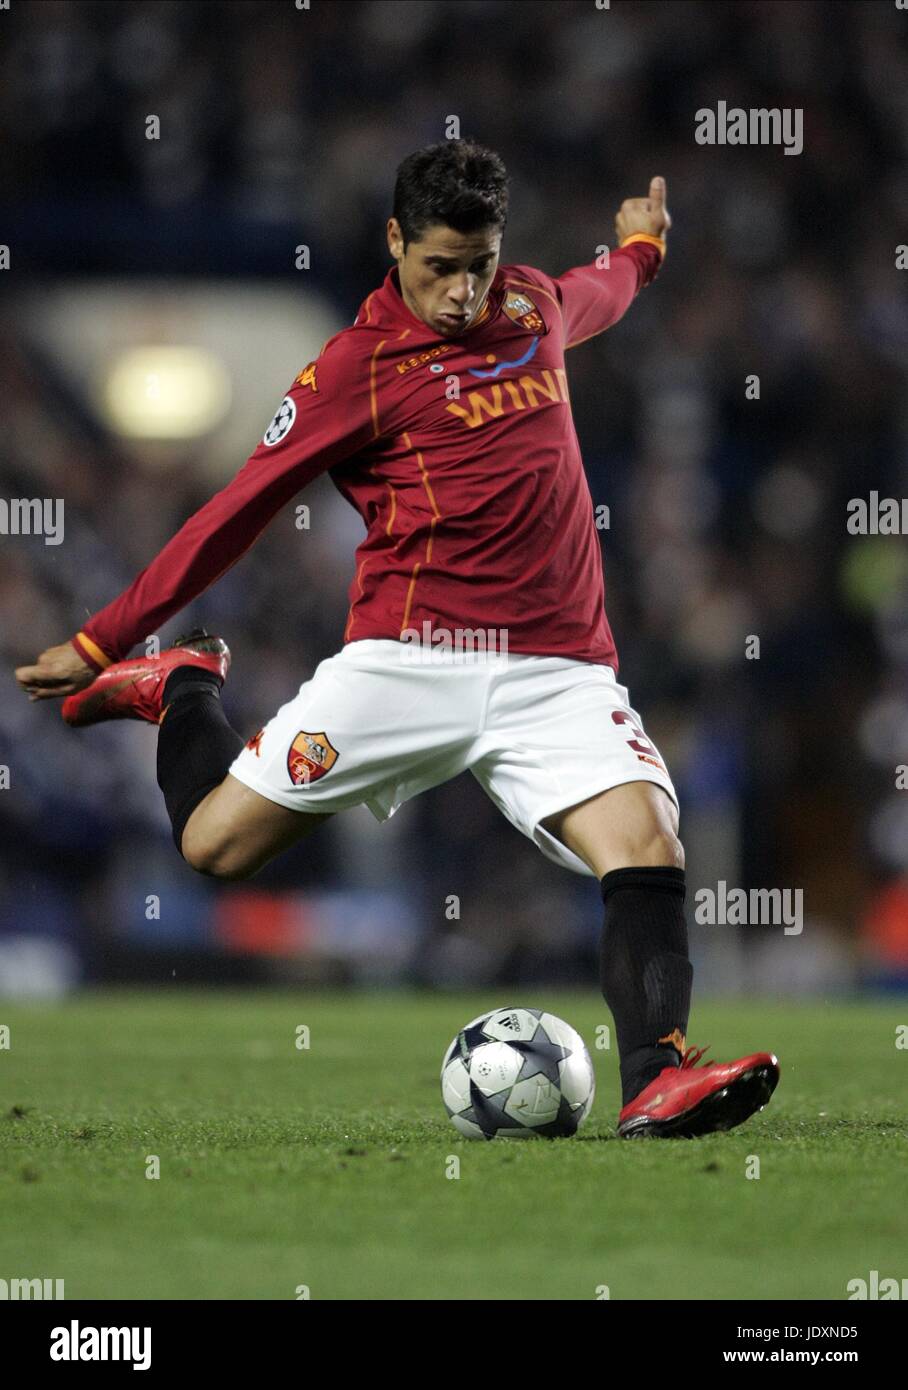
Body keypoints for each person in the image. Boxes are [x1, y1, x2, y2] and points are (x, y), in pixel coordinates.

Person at [15, 139, 778, 1137]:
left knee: (646, 845)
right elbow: (236, 511)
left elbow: (597, 292)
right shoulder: (352, 369)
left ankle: (653, 1074)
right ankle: (186, 687)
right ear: (392, 242)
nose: (464, 293)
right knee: (212, 845)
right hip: (407, 663)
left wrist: (638, 250)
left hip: (558, 671)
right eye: (440, 268)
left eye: (480, 264)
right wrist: (106, 634)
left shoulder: (530, 307)